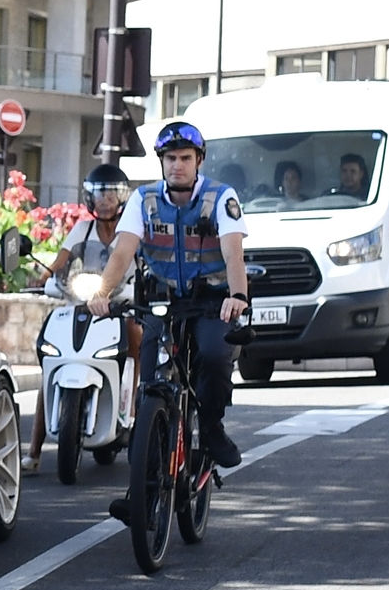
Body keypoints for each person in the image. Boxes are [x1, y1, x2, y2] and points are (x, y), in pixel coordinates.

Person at [86, 120, 251, 471]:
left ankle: (210, 428)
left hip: (211, 301)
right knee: (152, 379)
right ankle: (143, 489)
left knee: (213, 354)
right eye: (171, 158)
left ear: (199, 161)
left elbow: (233, 253)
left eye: (186, 158)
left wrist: (237, 296)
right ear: (161, 162)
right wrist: (102, 292)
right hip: (163, 301)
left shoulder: (221, 197)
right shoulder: (143, 200)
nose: (178, 165)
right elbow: (122, 251)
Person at [48, 164, 132, 282]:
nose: (104, 203)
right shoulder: (83, 229)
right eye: (98, 196)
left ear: (123, 198)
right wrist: (42, 279)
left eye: (111, 196)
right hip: (89, 293)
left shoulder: (133, 231)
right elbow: (59, 264)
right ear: (90, 199)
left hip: (129, 295)